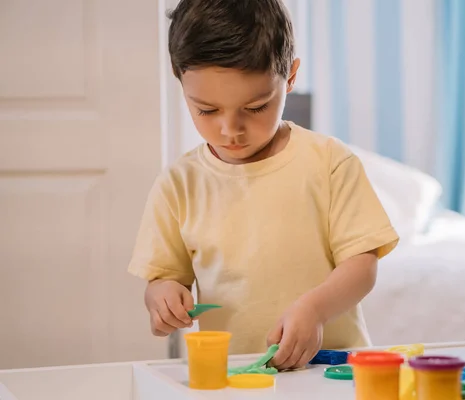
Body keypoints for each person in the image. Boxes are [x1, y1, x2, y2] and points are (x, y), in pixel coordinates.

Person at [128, 0, 399, 371]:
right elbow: (164, 277)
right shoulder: (178, 184)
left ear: (289, 75)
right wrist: (161, 298)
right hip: (232, 375)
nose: (231, 130)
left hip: (330, 372)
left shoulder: (329, 162)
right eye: (206, 110)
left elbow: (362, 265)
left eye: (255, 107)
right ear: (179, 76)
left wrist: (315, 310)